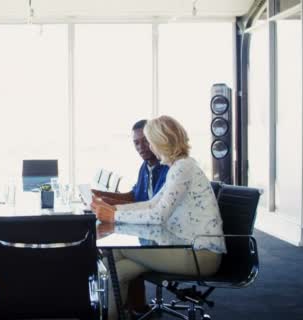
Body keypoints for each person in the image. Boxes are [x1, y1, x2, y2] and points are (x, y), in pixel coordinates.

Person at [91, 116, 226, 320]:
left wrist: (114, 215)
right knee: (118, 271)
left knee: (114, 252)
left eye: (149, 141)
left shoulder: (183, 168)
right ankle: (115, 313)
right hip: (185, 247)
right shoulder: (179, 167)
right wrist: (112, 208)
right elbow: (152, 203)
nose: (148, 147)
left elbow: (158, 215)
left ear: (160, 141)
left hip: (200, 255)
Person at [92, 119, 169, 316]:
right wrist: (101, 196)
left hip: (164, 233)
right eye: (136, 143)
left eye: (145, 141)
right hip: (147, 227)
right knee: (116, 259)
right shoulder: (145, 167)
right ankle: (131, 307)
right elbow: (134, 196)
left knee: (117, 252)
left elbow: (154, 209)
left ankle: (132, 307)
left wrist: (110, 208)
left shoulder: (169, 169)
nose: (141, 147)